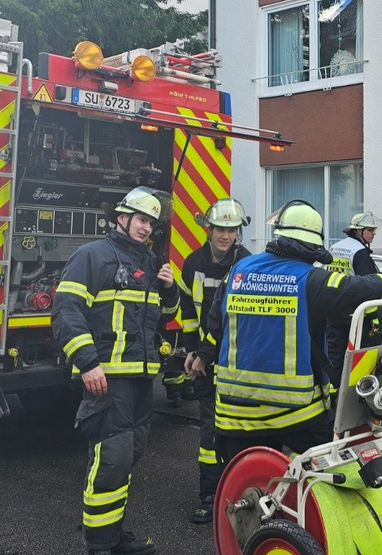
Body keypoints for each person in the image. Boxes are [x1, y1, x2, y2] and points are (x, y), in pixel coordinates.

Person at [200, 200, 382, 465]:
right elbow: (361, 287)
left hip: (235, 412)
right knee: (335, 467)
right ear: (312, 246)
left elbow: (214, 325)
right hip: (294, 412)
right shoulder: (308, 279)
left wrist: (203, 357)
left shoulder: (237, 272)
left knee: (247, 488)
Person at [52, 186, 180, 555]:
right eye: (141, 220)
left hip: (140, 380)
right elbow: (66, 311)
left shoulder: (153, 263)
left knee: (129, 456)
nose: (146, 228)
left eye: (151, 224)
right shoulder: (92, 256)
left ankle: (112, 534)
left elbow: (163, 319)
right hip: (107, 379)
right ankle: (99, 545)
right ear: (121, 218)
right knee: (111, 459)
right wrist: (88, 363)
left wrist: (170, 292)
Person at [178, 197, 251, 525]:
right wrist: (192, 352)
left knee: (238, 429)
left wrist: (205, 354)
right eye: (221, 228)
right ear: (209, 229)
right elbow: (189, 315)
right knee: (209, 434)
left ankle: (242, 492)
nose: (226, 235)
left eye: (232, 229)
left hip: (236, 361)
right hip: (205, 363)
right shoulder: (192, 263)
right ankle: (210, 496)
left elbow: (235, 318)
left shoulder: (247, 263)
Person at [324, 211, 382, 386]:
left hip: (334, 312)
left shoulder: (335, 248)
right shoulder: (360, 253)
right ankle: (356, 397)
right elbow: (369, 288)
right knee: (359, 356)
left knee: (335, 356)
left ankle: (334, 395)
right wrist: (374, 317)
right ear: (358, 231)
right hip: (356, 316)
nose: (374, 233)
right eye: (370, 230)